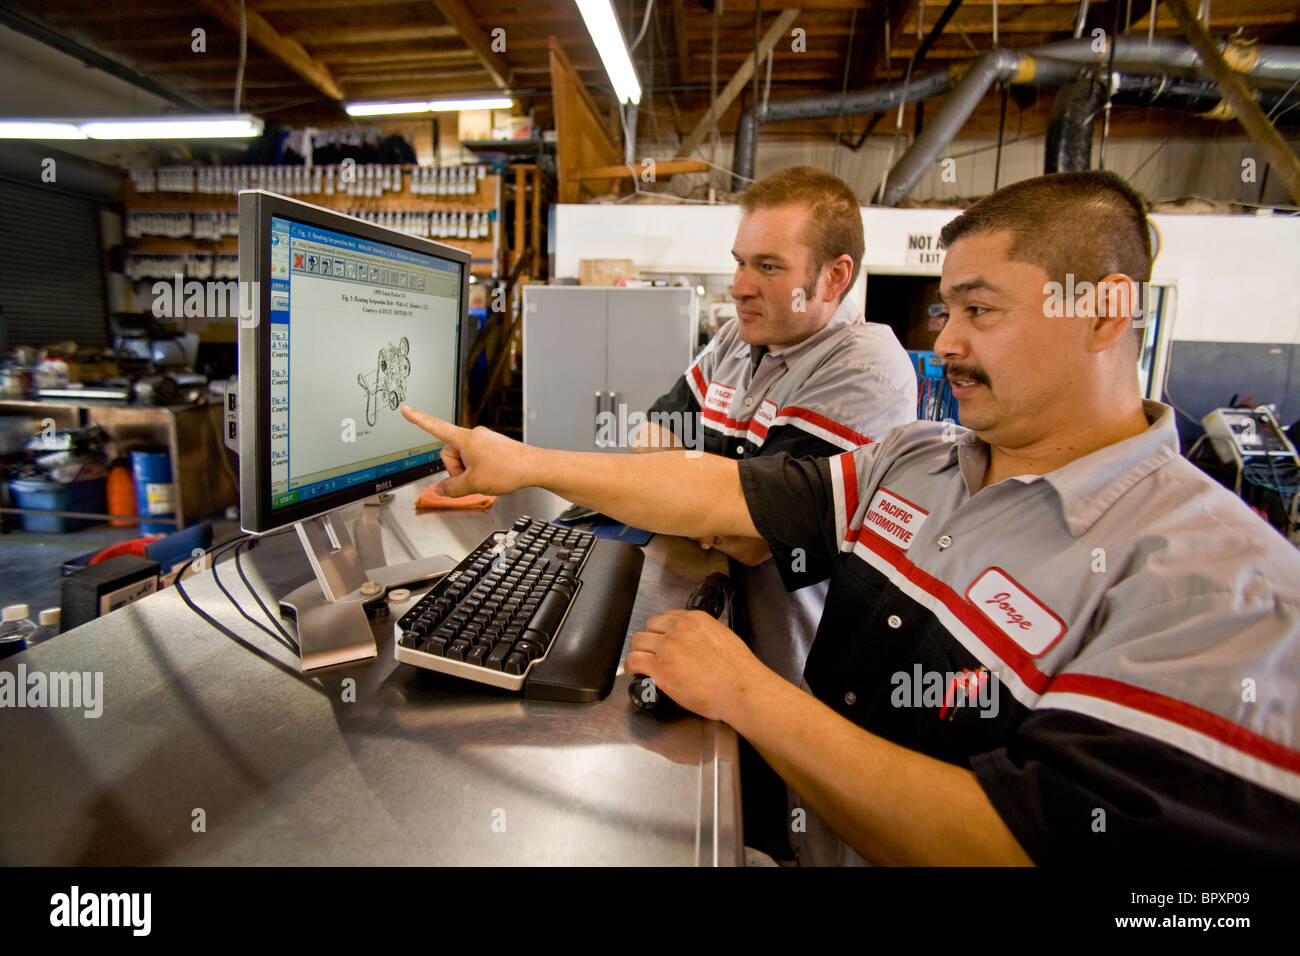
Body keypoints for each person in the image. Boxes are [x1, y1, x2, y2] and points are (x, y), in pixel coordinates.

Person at [401, 170, 1300, 865]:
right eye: (948, 310)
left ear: (1105, 313)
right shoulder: (917, 460)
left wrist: (747, 692)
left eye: (980, 311)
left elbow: (1023, 845)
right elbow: (720, 493)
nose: (945, 343)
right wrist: (516, 459)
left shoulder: (1221, 586)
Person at [633, 166, 916, 694]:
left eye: (768, 266)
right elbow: (655, 432)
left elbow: (754, 538)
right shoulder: (735, 341)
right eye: (740, 262)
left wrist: (677, 491)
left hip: (789, 676)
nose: (741, 287)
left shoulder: (866, 368)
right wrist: (704, 502)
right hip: (709, 635)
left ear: (834, 276)